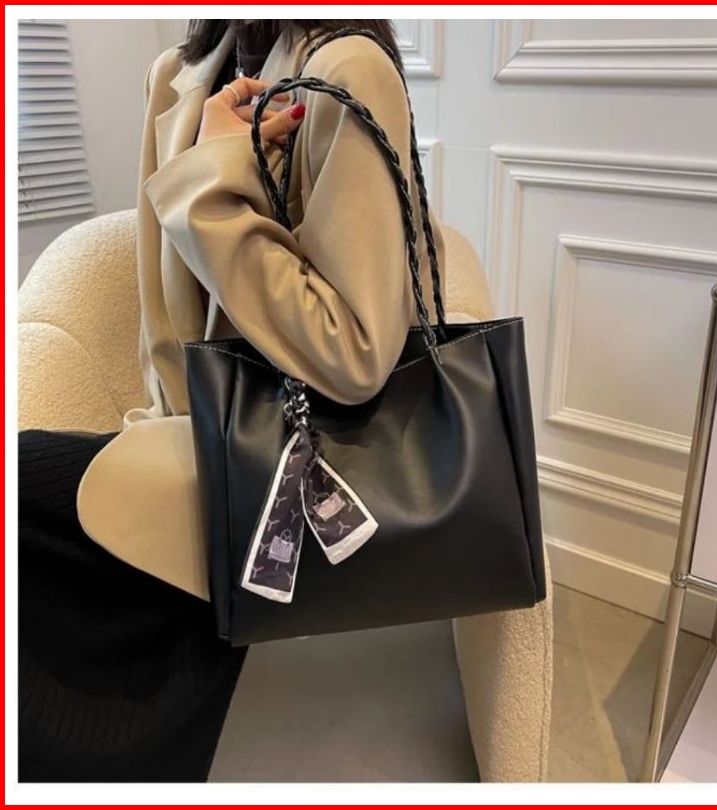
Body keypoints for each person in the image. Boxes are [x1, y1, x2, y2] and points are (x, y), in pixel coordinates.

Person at [18, 19, 446, 782]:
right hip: (193, 443)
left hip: (299, 467)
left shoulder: (349, 69)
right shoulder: (177, 73)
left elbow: (354, 352)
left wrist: (215, 180)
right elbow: (165, 317)